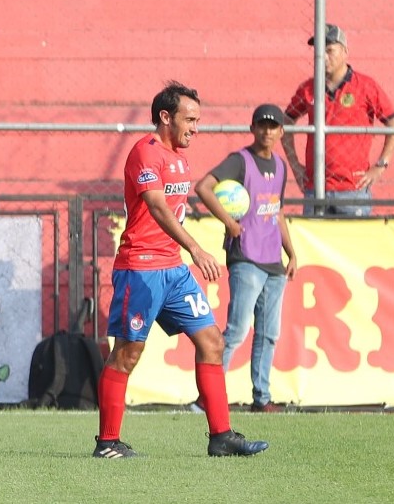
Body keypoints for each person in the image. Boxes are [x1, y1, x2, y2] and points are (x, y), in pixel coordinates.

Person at [92, 81, 269, 459]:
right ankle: (107, 443)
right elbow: (157, 207)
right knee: (127, 353)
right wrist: (195, 247)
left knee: (212, 342)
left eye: (198, 120)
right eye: (189, 119)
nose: (195, 127)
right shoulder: (145, 152)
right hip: (140, 269)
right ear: (165, 117)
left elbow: (172, 212)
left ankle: (221, 436)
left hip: (173, 270)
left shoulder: (181, 158)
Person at [194, 104, 298, 413]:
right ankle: (207, 397)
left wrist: (291, 252)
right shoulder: (240, 161)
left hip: (273, 261)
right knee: (237, 330)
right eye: (262, 125)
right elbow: (204, 187)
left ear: (281, 132)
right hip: (246, 257)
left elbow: (276, 212)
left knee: (268, 334)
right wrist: (229, 222)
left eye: (274, 126)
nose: (267, 131)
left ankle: (261, 398)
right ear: (252, 128)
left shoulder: (280, 166)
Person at [282, 23, 394, 216]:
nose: (324, 57)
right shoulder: (308, 89)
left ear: (345, 52)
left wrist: (381, 164)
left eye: (329, 50)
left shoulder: (365, 86)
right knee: (314, 244)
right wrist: (294, 164)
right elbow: (286, 122)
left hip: (353, 190)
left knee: (355, 244)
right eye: (319, 51)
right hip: (315, 187)